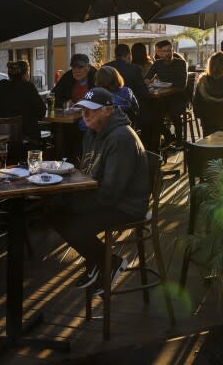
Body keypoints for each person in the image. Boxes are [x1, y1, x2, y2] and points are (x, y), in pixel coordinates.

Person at [47, 88, 149, 295]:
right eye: (83, 109)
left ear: (108, 110)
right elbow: (87, 170)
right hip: (103, 195)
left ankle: (110, 263)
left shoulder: (121, 138)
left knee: (73, 222)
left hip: (127, 205)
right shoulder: (93, 133)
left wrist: (76, 202)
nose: (85, 115)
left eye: (91, 110)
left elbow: (111, 192)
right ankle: (97, 261)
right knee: (53, 210)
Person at [145, 40, 188, 149]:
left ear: (173, 50)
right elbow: (148, 77)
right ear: (160, 53)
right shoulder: (157, 63)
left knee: (174, 112)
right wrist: (146, 82)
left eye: (169, 50)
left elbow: (182, 84)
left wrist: (168, 86)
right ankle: (168, 136)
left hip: (178, 97)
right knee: (151, 115)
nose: (167, 53)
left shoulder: (181, 63)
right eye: (164, 51)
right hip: (162, 98)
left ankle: (179, 140)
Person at [0, 60, 47, 141]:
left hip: (1, 138)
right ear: (25, 74)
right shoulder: (28, 87)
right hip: (24, 140)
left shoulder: (1, 85)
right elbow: (42, 111)